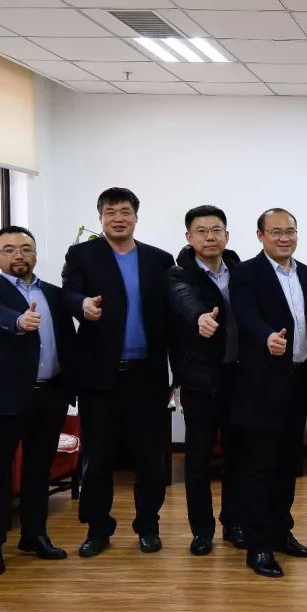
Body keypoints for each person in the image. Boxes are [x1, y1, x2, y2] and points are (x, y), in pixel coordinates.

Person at [61, 187, 174, 558]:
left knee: (150, 457)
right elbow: (68, 293)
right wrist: (82, 304)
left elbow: (173, 312)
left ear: (136, 216)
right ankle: (97, 529)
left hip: (147, 375)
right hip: (100, 375)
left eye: (125, 211)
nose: (118, 218)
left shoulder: (159, 260)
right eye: (110, 212)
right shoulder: (82, 254)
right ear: (100, 218)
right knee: (97, 458)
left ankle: (148, 526)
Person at [0, 226, 77, 575]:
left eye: (26, 248)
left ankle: (34, 535)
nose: (19, 255)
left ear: (35, 254)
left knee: (38, 470)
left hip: (50, 395)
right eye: (9, 249)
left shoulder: (53, 294)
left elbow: (68, 337)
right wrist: (19, 320)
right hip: (5, 397)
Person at [230, 208, 307, 577]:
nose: (284, 238)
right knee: (260, 468)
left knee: (287, 466)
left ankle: (282, 533)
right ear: (260, 235)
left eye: (290, 231)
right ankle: (259, 547)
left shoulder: (306, 273)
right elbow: (246, 314)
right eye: (276, 232)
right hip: (262, 385)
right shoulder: (245, 273)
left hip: (298, 382)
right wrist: (266, 336)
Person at [165, 205, 243, 556]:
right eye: (201, 231)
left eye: (216, 230)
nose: (210, 237)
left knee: (237, 457)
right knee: (197, 460)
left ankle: (234, 523)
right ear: (189, 237)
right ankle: (202, 530)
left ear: (226, 235)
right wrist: (199, 317)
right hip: (200, 381)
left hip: (239, 378)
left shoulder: (240, 272)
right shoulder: (178, 275)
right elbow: (184, 301)